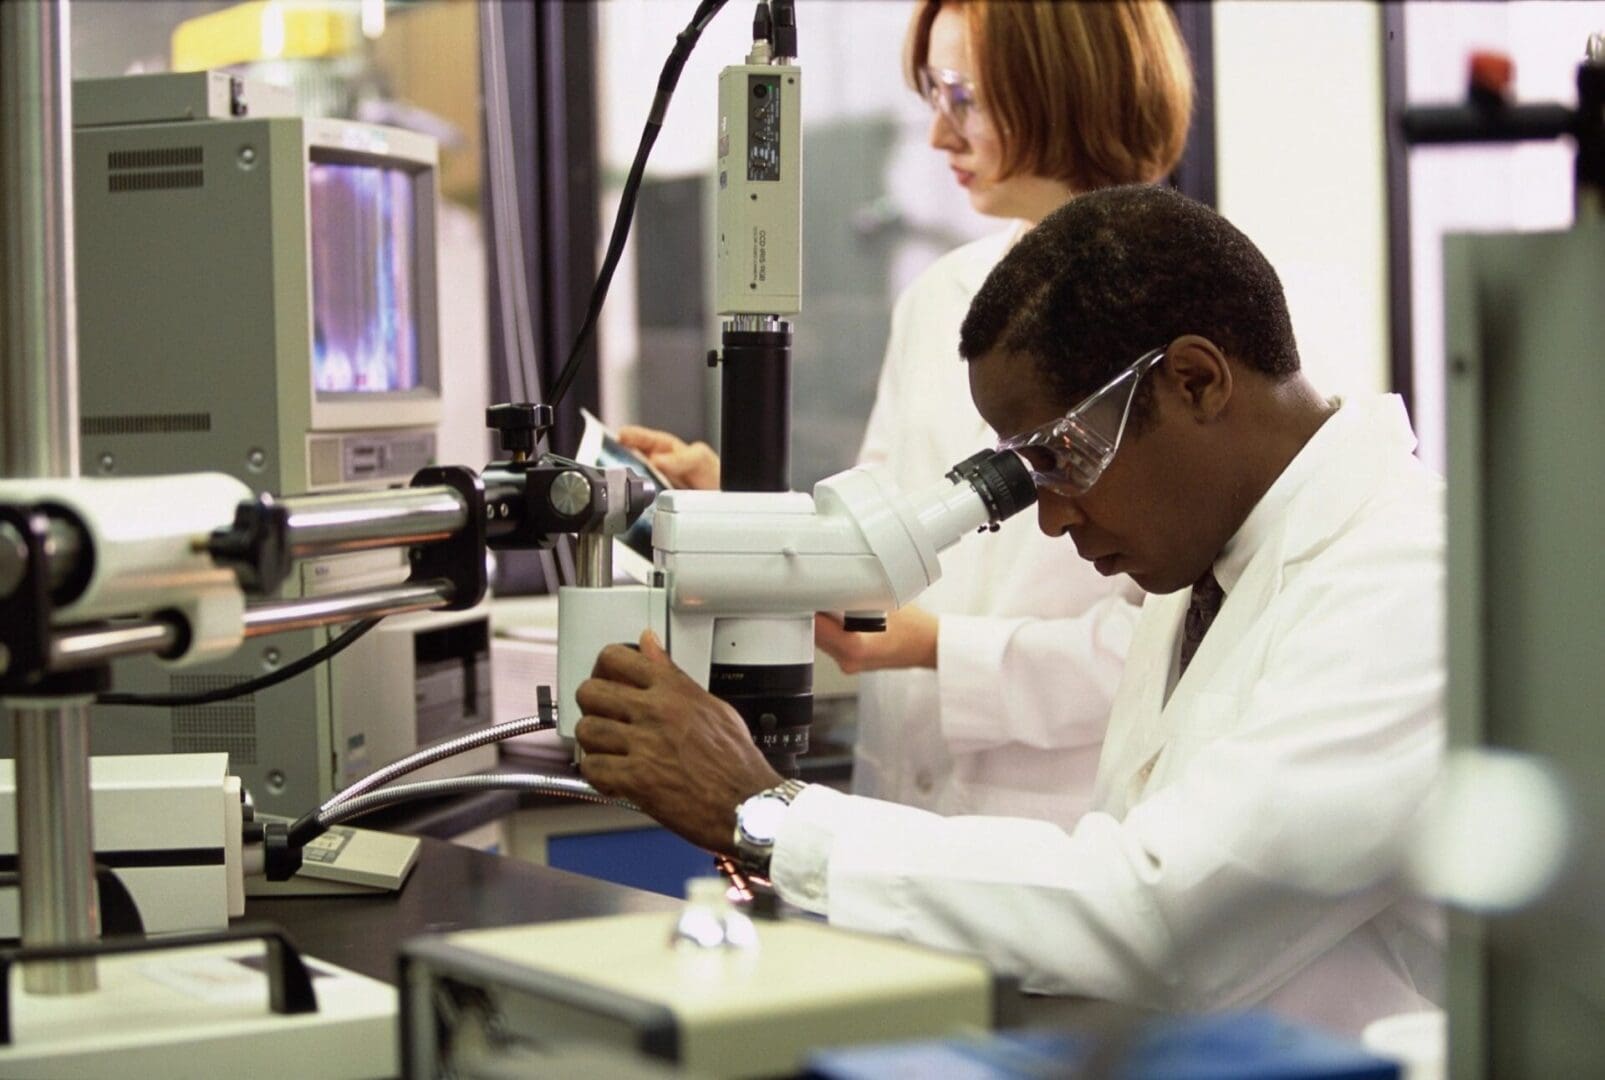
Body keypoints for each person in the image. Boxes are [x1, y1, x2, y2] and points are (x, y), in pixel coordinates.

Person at [575, 185, 1446, 1035]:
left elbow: (1165, 921)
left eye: (1061, 461)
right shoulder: (1212, 569)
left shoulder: (1404, 580)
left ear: (1194, 380)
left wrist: (768, 813)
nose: (1056, 517)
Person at [619, 0, 1193, 829]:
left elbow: (1179, 648)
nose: (937, 137)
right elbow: (885, 530)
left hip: (1067, 825)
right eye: (932, 97)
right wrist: (743, 507)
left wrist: (937, 650)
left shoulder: (1194, 313)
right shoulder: (941, 298)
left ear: (1066, 87)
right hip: (900, 799)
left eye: (961, 98)